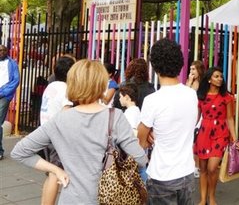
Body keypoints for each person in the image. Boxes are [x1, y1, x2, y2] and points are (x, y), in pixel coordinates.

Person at [11, 59, 147, 204]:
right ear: (101, 85)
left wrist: (56, 170)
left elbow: (19, 152)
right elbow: (140, 160)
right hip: (107, 197)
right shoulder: (115, 117)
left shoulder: (59, 120)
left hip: (70, 199)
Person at [137, 38, 198, 204]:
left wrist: (148, 133)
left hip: (162, 176)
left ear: (154, 65)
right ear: (179, 63)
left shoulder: (152, 100)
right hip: (187, 172)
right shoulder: (191, 95)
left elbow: (140, 142)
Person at [194, 67, 238, 205]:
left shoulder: (227, 97)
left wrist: (235, 138)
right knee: (203, 168)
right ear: (209, 79)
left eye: (221, 77)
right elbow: (196, 117)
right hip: (204, 133)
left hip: (220, 133)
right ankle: (202, 199)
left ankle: (212, 197)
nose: (220, 79)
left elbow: (230, 118)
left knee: (212, 168)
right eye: (216, 76)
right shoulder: (201, 96)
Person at [39, 55, 75, 205]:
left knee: (50, 175)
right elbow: (67, 114)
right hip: (58, 137)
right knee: (56, 174)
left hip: (46, 134)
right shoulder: (66, 90)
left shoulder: (51, 86)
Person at [186, 60, 205, 178]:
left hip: (199, 114)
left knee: (196, 141)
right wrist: (189, 81)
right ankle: (192, 165)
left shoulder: (203, 84)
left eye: (194, 69)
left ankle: (196, 166)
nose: (191, 71)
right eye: (190, 69)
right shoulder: (189, 82)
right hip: (188, 112)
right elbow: (184, 95)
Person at [0, 44, 20, 161]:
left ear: (7, 51)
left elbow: (15, 80)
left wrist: (2, 92)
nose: (1, 52)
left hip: (3, 96)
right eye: (0, 50)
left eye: (3, 50)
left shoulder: (12, 64)